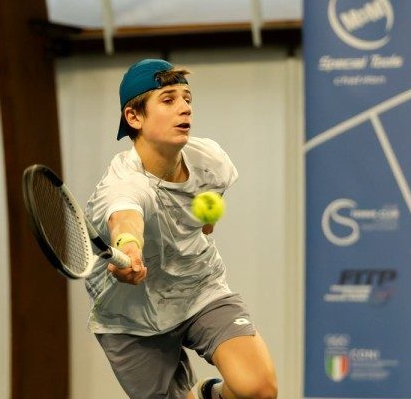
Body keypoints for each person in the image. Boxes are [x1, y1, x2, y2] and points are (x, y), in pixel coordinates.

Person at [84, 58, 277, 399]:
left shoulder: (211, 160)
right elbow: (125, 219)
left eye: (187, 99)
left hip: (199, 288)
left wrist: (204, 221)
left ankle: (207, 393)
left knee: (258, 389)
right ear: (134, 117)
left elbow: (206, 219)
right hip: (130, 318)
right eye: (168, 100)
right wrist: (129, 248)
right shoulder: (123, 184)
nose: (185, 108)